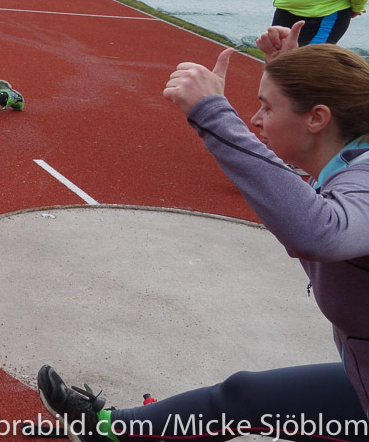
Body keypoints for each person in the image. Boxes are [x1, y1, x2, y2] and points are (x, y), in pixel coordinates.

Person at [38, 25, 369, 442]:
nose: (254, 119)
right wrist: (297, 73)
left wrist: (212, 111)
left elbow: (318, 231)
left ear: (318, 118)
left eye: (266, 107)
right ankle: (106, 428)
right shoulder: (348, 162)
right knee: (242, 395)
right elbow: (294, 185)